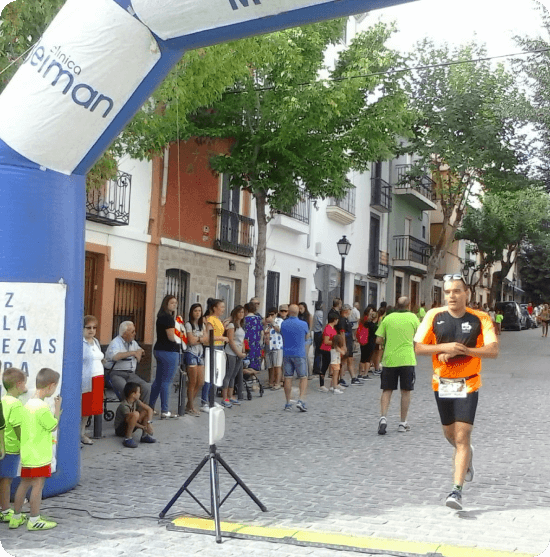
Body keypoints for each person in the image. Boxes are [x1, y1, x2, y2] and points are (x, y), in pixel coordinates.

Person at [414, 275, 498, 511]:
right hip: (441, 384)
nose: (451, 296)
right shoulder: (434, 316)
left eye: (456, 291)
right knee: (450, 435)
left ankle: (456, 491)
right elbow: (419, 347)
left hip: (468, 383)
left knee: (462, 437)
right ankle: (468, 454)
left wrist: (464, 350)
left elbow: (492, 351)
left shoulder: (480, 318)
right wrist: (444, 348)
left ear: (467, 294)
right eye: (448, 292)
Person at [10, 368, 62, 531]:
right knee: (38, 486)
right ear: (51, 386)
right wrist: (57, 410)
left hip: (27, 454)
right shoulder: (42, 407)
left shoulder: (28, 404)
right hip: (40, 454)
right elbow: (53, 426)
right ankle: (34, 519)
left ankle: (16, 517)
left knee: (24, 484)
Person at [375, 297, 419, 436]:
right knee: (405, 391)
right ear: (408, 305)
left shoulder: (388, 318)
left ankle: (383, 418)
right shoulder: (413, 318)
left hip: (390, 359)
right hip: (407, 359)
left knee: (387, 390)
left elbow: (378, 339)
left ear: (396, 305)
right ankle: (402, 423)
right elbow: (419, 338)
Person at [0, 368, 26, 524]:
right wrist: (25, 443)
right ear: (19, 384)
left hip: (4, 445)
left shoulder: (3, 400)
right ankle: (5, 510)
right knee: (6, 480)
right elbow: (17, 427)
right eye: (24, 384)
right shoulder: (16, 404)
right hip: (11, 447)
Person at [104, 321, 151, 404]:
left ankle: (142, 413)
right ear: (125, 333)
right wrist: (132, 353)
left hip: (130, 374)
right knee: (126, 389)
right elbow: (115, 357)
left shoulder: (133, 343)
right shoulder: (115, 343)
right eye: (132, 332)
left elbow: (141, 351)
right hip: (115, 373)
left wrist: (140, 352)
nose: (135, 333)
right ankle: (128, 412)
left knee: (146, 387)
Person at [149, 295, 180, 419]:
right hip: (169, 351)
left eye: (175, 303)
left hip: (159, 350)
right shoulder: (168, 318)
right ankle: (165, 410)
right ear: (166, 304)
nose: (174, 305)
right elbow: (171, 337)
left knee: (158, 380)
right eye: (172, 303)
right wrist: (181, 337)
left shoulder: (161, 317)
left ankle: (150, 407)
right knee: (166, 381)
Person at [280, 304, 310, 412]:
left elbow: (282, 335)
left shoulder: (284, 324)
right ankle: (301, 400)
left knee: (288, 378)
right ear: (298, 312)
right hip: (299, 353)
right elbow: (307, 337)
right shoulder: (303, 324)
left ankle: (288, 403)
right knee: (303, 377)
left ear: (288, 312)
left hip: (287, 353)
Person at [201, 298, 228, 412]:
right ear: (214, 308)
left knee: (217, 374)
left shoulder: (218, 320)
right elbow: (208, 336)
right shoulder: (210, 320)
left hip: (220, 347)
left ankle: (212, 399)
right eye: (221, 307)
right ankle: (204, 401)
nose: (223, 309)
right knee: (210, 375)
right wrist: (222, 338)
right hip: (213, 347)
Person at [81, 315, 104, 445]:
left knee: (89, 410)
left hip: (98, 377)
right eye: (88, 327)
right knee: (83, 408)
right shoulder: (80, 342)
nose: (91, 330)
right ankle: (78, 434)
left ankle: (82, 433)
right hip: (87, 378)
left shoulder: (95, 341)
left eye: (94, 327)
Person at [114, 382, 156, 448]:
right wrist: (144, 427)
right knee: (136, 414)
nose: (140, 394)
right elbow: (128, 421)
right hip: (121, 429)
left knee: (145, 411)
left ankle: (144, 436)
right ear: (133, 394)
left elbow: (149, 409)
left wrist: (149, 423)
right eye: (138, 392)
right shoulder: (124, 405)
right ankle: (128, 438)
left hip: (131, 423)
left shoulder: (136, 401)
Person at [184, 303, 206, 416]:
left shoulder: (202, 325)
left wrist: (198, 339)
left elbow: (207, 340)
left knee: (200, 381)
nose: (198, 313)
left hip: (200, 353)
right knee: (192, 381)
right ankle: (191, 406)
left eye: (199, 311)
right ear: (191, 312)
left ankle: (188, 404)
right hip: (191, 353)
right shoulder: (188, 325)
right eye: (195, 311)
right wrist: (201, 339)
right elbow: (190, 341)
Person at [223, 305, 247, 408]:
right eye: (239, 312)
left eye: (243, 312)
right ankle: (225, 398)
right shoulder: (232, 325)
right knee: (228, 375)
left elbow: (241, 341)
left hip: (239, 352)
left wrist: (243, 351)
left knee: (234, 375)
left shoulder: (240, 325)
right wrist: (238, 352)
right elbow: (231, 340)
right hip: (231, 352)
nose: (241, 314)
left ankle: (231, 395)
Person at [338, 304, 361, 386]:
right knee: (344, 361)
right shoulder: (342, 320)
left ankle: (353, 378)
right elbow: (342, 333)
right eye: (350, 310)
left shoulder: (346, 319)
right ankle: (341, 378)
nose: (351, 312)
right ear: (346, 311)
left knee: (350, 360)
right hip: (346, 342)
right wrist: (344, 345)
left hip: (349, 341)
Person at [319, 313, 340, 393]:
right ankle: (322, 385)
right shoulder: (328, 328)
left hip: (331, 349)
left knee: (331, 367)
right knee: (324, 367)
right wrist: (335, 342)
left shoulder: (332, 328)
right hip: (326, 349)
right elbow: (326, 341)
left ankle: (332, 384)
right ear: (334, 320)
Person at [264, 306, 284, 390]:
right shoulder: (266, 322)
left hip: (277, 346)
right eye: (269, 314)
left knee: (277, 365)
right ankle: (271, 382)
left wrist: (272, 322)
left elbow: (279, 330)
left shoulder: (279, 321)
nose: (270, 316)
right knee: (270, 366)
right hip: (268, 346)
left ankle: (277, 383)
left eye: (272, 314)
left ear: (276, 314)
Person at [244, 302, 263, 373]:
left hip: (247, 342)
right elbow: (261, 331)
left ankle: (248, 377)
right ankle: (254, 378)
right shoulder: (258, 318)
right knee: (255, 359)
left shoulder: (245, 319)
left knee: (247, 360)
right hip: (256, 342)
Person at [356, 309, 374, 380]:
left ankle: (360, 374)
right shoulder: (369, 321)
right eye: (371, 311)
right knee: (368, 359)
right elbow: (372, 329)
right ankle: (365, 374)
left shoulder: (362, 320)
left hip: (362, 340)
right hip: (369, 341)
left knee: (362, 358)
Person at [298, 302, 313, 377]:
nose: (300, 310)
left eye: (301, 308)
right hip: (300, 338)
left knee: (305, 355)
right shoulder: (298, 316)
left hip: (307, 338)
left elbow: (310, 327)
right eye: (299, 308)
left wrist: (308, 333)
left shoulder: (309, 316)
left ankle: (309, 373)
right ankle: (301, 372)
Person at [312, 301, 324, 374]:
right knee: (319, 352)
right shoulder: (320, 313)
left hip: (316, 333)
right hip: (319, 333)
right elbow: (322, 323)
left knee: (317, 351)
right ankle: (317, 368)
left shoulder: (316, 313)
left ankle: (316, 368)